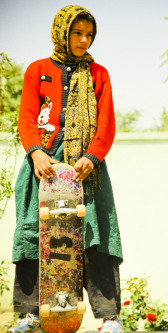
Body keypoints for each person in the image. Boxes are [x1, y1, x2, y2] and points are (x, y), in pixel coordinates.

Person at [9, 5, 123, 333]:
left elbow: (106, 122)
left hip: (87, 168)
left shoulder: (99, 74)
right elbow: (27, 118)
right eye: (77, 33)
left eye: (89, 34)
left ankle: (108, 318)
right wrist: (36, 153)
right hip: (42, 167)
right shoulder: (36, 70)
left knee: (94, 236)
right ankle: (30, 315)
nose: (84, 40)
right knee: (35, 234)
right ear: (61, 31)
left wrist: (92, 156)